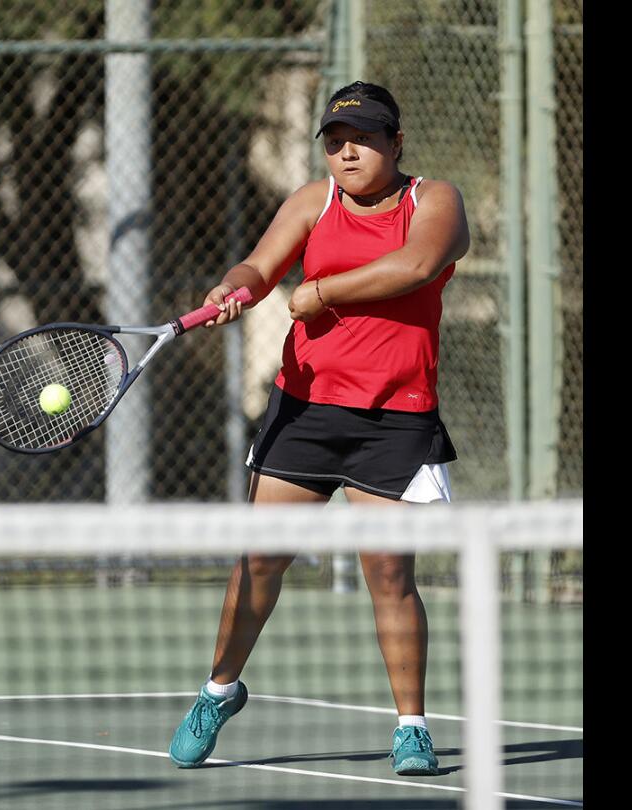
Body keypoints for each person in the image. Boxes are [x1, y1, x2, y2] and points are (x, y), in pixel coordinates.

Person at [167, 81, 471, 777]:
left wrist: (322, 290)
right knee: (260, 561)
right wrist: (235, 286)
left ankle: (412, 729)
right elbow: (260, 264)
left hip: (397, 419)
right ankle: (218, 692)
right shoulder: (313, 202)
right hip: (304, 411)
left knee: (389, 572)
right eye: (335, 142)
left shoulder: (437, 202)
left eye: (363, 138)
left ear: (397, 142)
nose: (347, 152)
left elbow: (418, 265)